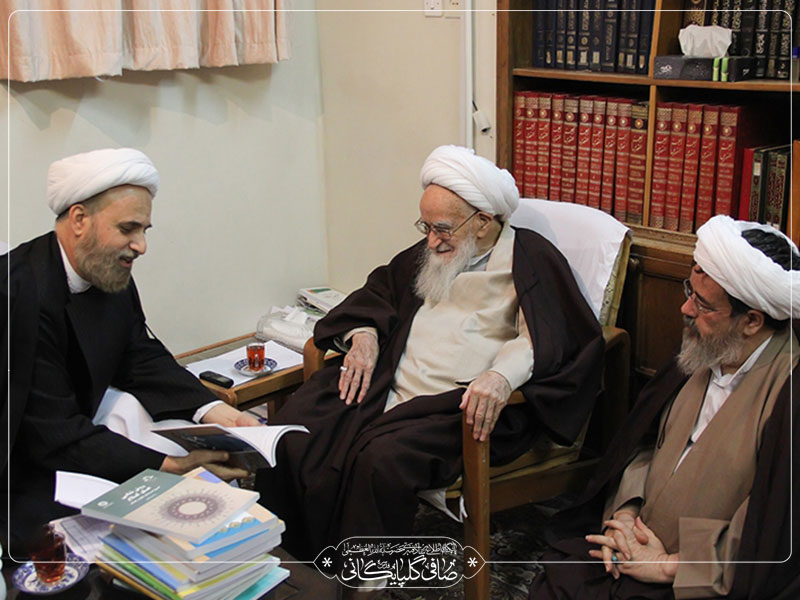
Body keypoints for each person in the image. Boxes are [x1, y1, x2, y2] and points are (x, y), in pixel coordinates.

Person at [256, 145, 605, 561]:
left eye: (442, 228)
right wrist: (363, 335)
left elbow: (550, 339)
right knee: (293, 429)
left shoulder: (533, 259)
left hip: (457, 408)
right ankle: (278, 557)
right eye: (426, 226)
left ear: (483, 221)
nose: (431, 240)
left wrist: (501, 376)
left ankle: (363, 577)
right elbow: (378, 292)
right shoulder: (434, 250)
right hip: (386, 383)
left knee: (380, 461)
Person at [1, 148, 259, 554]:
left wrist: (212, 410)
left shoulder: (105, 269)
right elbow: (52, 435)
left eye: (144, 230)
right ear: (79, 220)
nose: (140, 246)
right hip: (26, 462)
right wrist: (171, 468)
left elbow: (140, 353)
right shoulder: (17, 295)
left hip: (80, 432)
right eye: (128, 229)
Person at [528, 215, 799, 600]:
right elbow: (646, 445)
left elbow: (771, 528)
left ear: (752, 321)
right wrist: (625, 515)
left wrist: (668, 564)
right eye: (690, 290)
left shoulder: (789, 394)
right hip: (637, 542)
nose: (685, 308)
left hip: (701, 580)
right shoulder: (702, 348)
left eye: (702, 303)